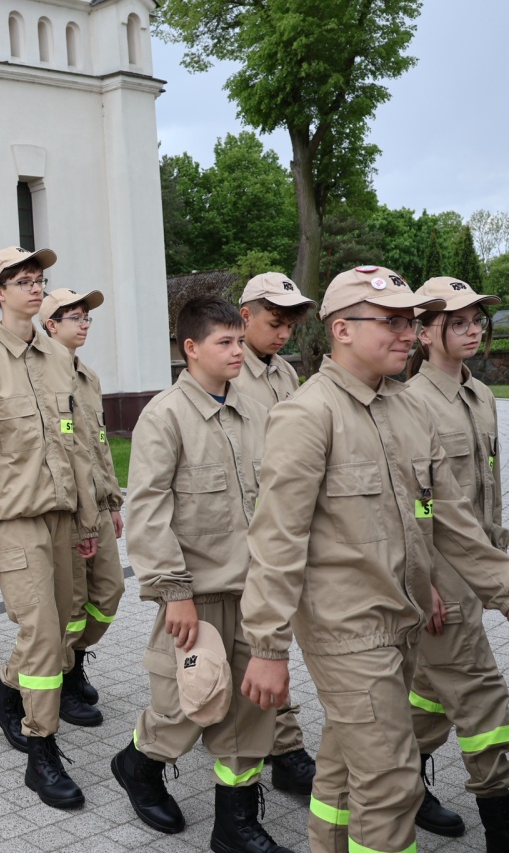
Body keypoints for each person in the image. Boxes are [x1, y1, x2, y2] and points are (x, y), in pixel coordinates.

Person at [240, 266, 509, 853]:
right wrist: (266, 648)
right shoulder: (308, 415)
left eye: (410, 321)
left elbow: (456, 527)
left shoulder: (407, 410)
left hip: (403, 622)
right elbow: (277, 540)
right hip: (346, 631)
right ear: (341, 329)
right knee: (391, 785)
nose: (408, 333)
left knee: (340, 771)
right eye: (390, 321)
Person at [110, 296, 291, 853]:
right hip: (196, 594)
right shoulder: (165, 416)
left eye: (241, 340)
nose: (239, 351)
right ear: (191, 349)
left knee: (251, 710)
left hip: (254, 591)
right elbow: (147, 512)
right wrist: (174, 594)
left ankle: (233, 824)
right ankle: (139, 764)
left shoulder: (257, 413)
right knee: (186, 706)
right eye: (226, 342)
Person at [0, 246, 99, 809]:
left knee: (61, 624)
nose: (36, 287)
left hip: (62, 517)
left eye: (40, 279)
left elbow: (76, 445)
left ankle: (4, 700)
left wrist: (87, 517)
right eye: (22, 280)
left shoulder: (58, 359)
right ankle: (42, 754)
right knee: (41, 635)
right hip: (14, 521)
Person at [404, 276, 509, 846]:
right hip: (441, 582)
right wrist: (424, 587)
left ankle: (406, 785)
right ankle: (501, 821)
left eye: (477, 322)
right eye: (457, 323)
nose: (472, 332)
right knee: (485, 700)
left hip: (480, 571)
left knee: (427, 695)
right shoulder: (409, 405)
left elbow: (483, 493)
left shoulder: (481, 395)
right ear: (423, 333)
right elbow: (415, 510)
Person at [232, 272, 320, 797]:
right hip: (239, 528)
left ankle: (277, 741)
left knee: (264, 638)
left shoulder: (286, 374)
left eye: (289, 323)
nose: (283, 332)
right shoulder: (223, 370)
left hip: (279, 525)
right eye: (273, 322)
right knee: (259, 641)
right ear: (245, 316)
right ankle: (283, 746)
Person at [35, 290, 124, 729]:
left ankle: (74, 658)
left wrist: (111, 500)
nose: (84, 323)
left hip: (97, 506)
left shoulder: (86, 375)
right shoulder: (41, 374)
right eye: (74, 317)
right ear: (50, 324)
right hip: (66, 508)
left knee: (109, 591)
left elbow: (99, 445)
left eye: (87, 317)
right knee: (70, 602)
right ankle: (64, 679)